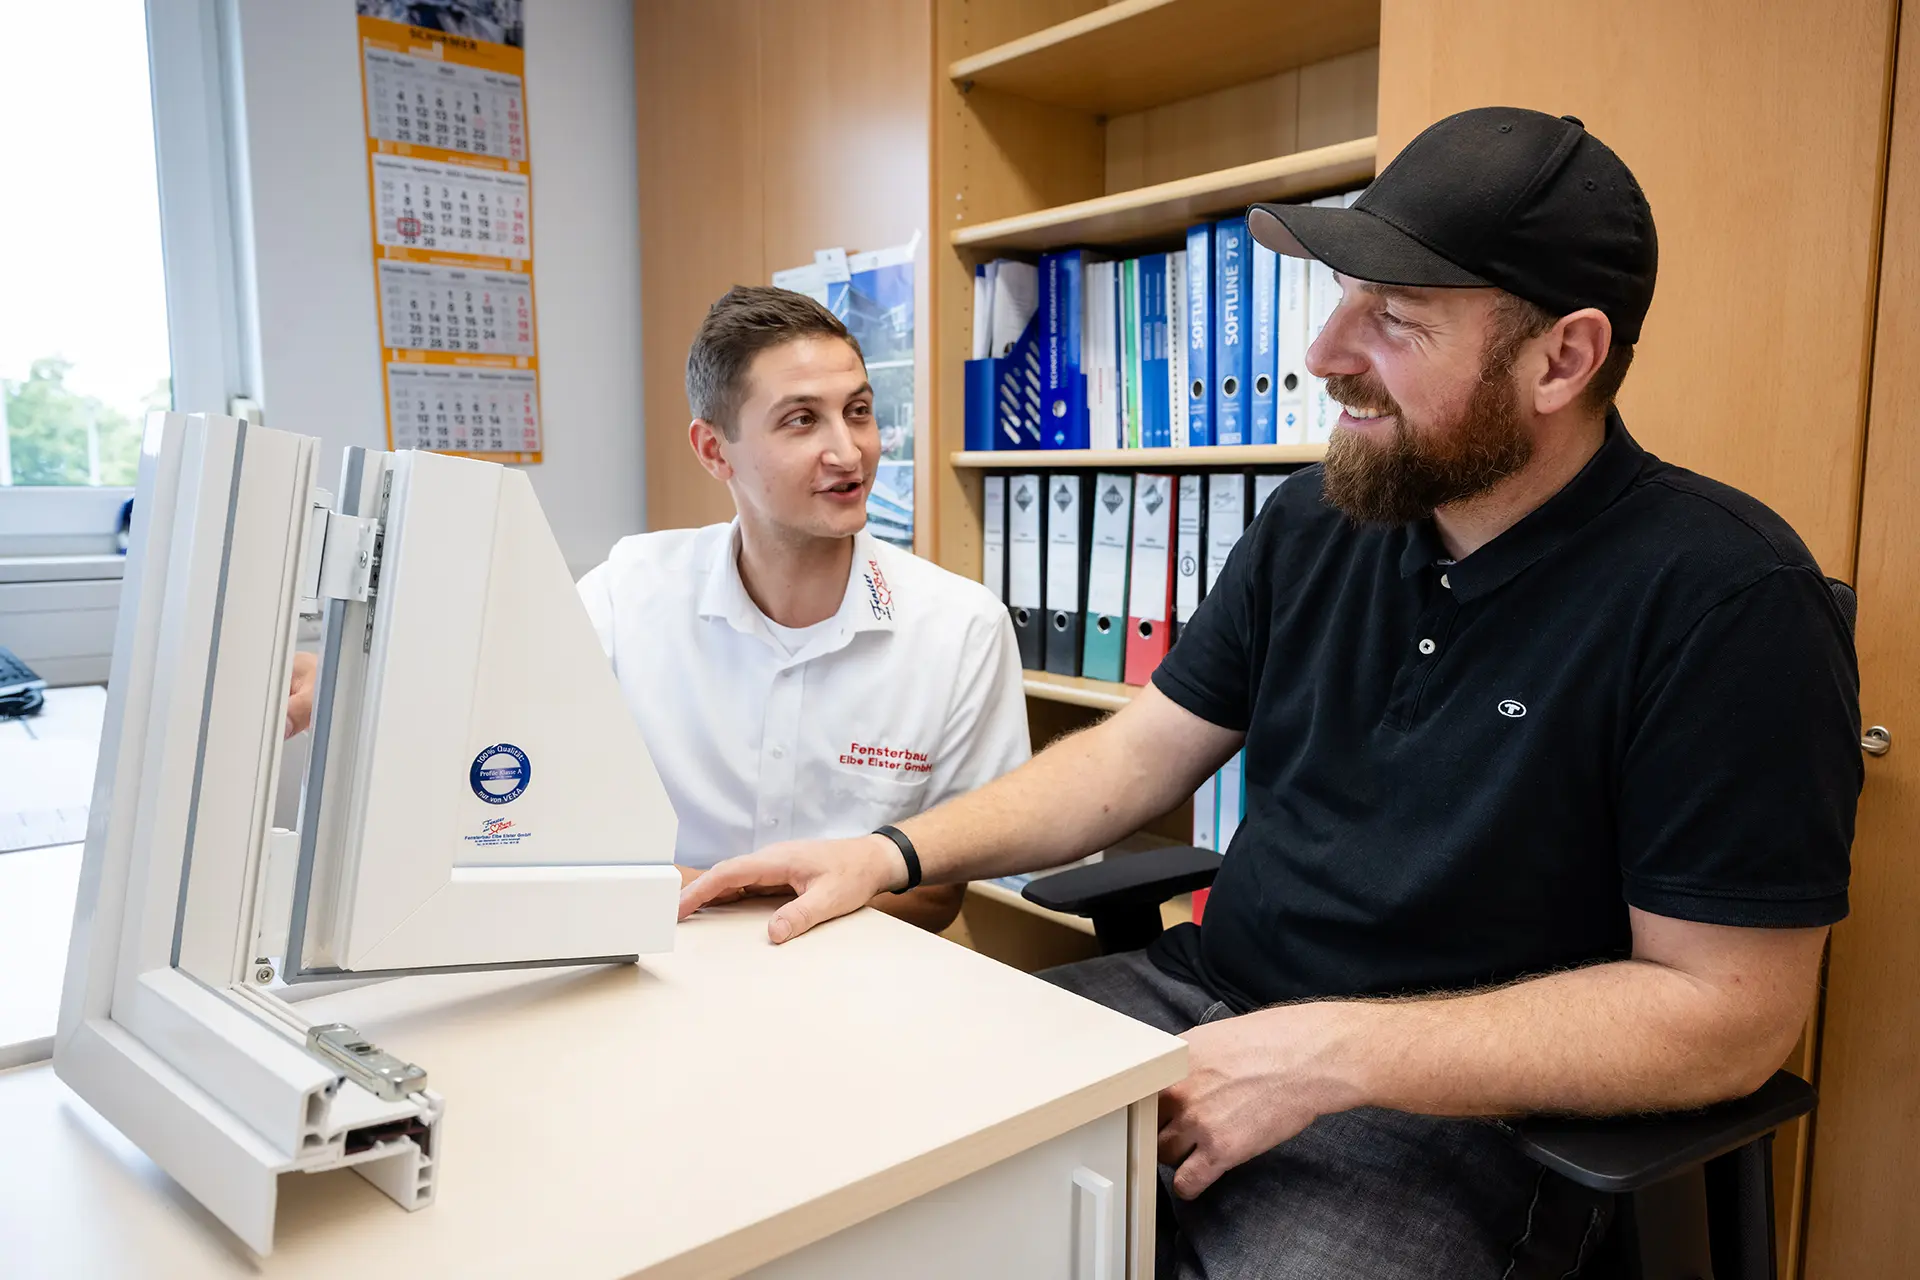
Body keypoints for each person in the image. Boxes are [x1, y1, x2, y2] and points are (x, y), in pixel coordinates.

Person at [678, 108, 1861, 1277]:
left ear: (1563, 358)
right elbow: (1132, 759)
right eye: (1342, 298)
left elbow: (1730, 1014)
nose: (1325, 352)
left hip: (1458, 1111)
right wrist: (888, 853)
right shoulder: (1318, 520)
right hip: (1201, 1000)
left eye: (1392, 318)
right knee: (859, 1162)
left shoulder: (1726, 596)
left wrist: (1327, 1053)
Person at [290, 284, 1029, 933]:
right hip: (664, 954)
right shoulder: (632, 590)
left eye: (858, 411)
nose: (849, 451)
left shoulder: (960, 628)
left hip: (863, 974)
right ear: (714, 450)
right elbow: (502, 707)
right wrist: (357, 686)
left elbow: (939, 890)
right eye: (802, 420)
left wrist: (721, 898)